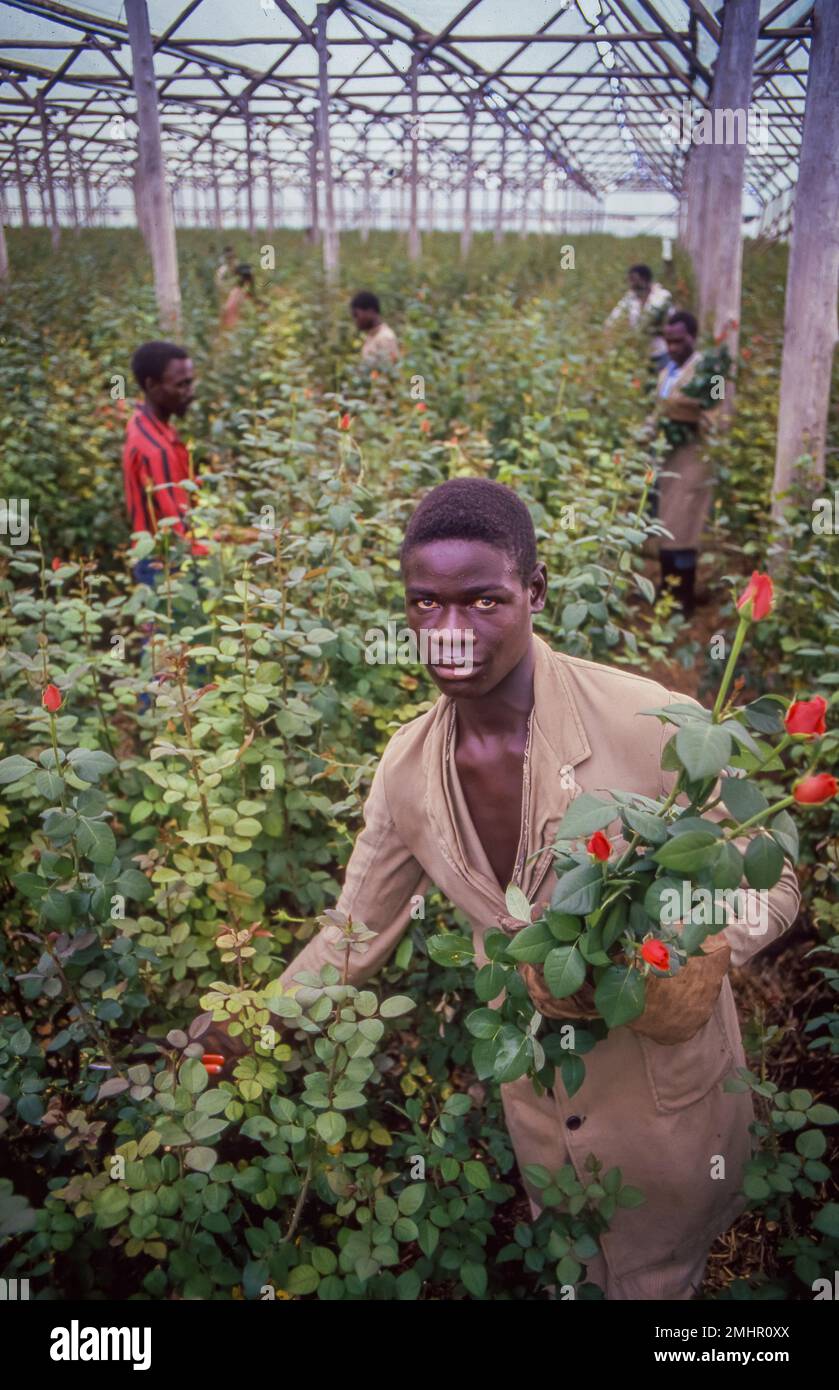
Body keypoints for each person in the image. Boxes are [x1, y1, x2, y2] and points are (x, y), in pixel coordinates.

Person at [203, 477, 800, 1300]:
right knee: (575, 1274)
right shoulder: (408, 769)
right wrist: (246, 1023)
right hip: (542, 1111)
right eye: (424, 606)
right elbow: (352, 934)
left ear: (535, 591)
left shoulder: (649, 720)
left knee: (659, 1280)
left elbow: (771, 869)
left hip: (666, 1110)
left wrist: (707, 947)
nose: (448, 635)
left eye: (483, 601)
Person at [649, 310, 717, 618]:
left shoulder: (709, 372)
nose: (672, 347)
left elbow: (717, 418)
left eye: (679, 341)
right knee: (666, 526)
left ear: (693, 337)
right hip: (667, 459)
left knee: (684, 527)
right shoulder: (668, 372)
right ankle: (666, 594)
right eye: (668, 341)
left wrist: (680, 410)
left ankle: (683, 601)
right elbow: (657, 413)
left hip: (693, 459)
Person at [122, 341, 207, 583]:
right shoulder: (156, 450)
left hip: (154, 558)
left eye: (190, 382)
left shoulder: (142, 422)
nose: (190, 392)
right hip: (164, 564)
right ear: (152, 385)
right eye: (181, 385)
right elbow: (177, 531)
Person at [605, 263, 672, 370]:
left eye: (634, 280)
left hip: (660, 351)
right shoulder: (630, 298)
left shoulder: (662, 296)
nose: (631, 284)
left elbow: (665, 320)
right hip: (639, 354)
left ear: (645, 280)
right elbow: (613, 318)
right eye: (630, 280)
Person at [351, 290, 400, 365]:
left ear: (371, 311)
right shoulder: (371, 336)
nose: (355, 320)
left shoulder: (385, 338)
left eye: (356, 315)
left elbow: (390, 371)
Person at [220, 263, 255, 331]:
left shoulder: (243, 293)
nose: (246, 280)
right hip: (237, 331)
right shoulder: (237, 293)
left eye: (248, 277)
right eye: (245, 277)